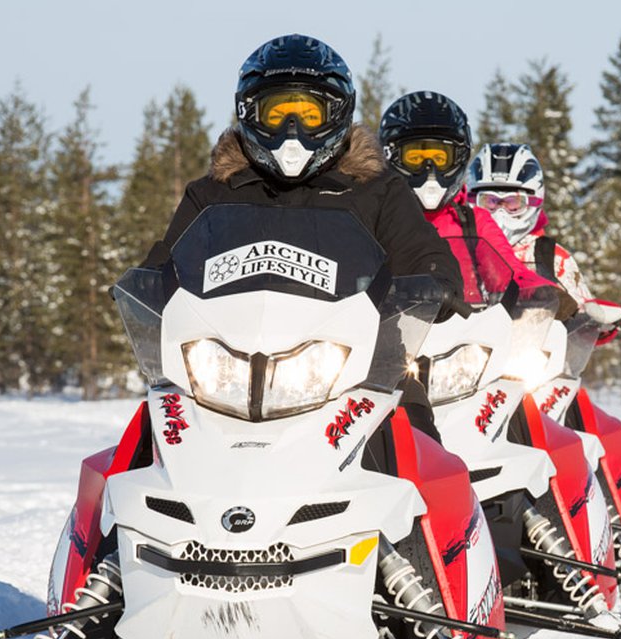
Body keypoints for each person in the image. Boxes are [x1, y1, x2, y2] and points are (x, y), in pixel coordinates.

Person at [142, 34, 462, 438]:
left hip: (361, 366)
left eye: (308, 114)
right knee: (143, 442)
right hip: (225, 368)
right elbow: (168, 262)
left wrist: (437, 280)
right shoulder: (213, 192)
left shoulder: (377, 189)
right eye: (276, 113)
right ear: (248, 113)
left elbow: (420, 250)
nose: (291, 130)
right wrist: (146, 285)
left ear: (337, 113)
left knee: (423, 450)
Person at [377, 92, 559, 306]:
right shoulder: (377, 215)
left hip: (464, 331)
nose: (430, 170)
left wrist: (537, 291)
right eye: (415, 158)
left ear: (459, 158)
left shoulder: (472, 222)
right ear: (391, 155)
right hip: (383, 328)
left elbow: (507, 269)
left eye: (440, 158)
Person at [466, 144, 621, 339]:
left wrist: (597, 323)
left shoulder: (551, 256)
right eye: (490, 201)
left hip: (531, 357)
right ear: (472, 200)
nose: (500, 212)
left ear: (533, 201)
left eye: (512, 203)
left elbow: (582, 311)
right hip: (465, 356)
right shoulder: (461, 248)